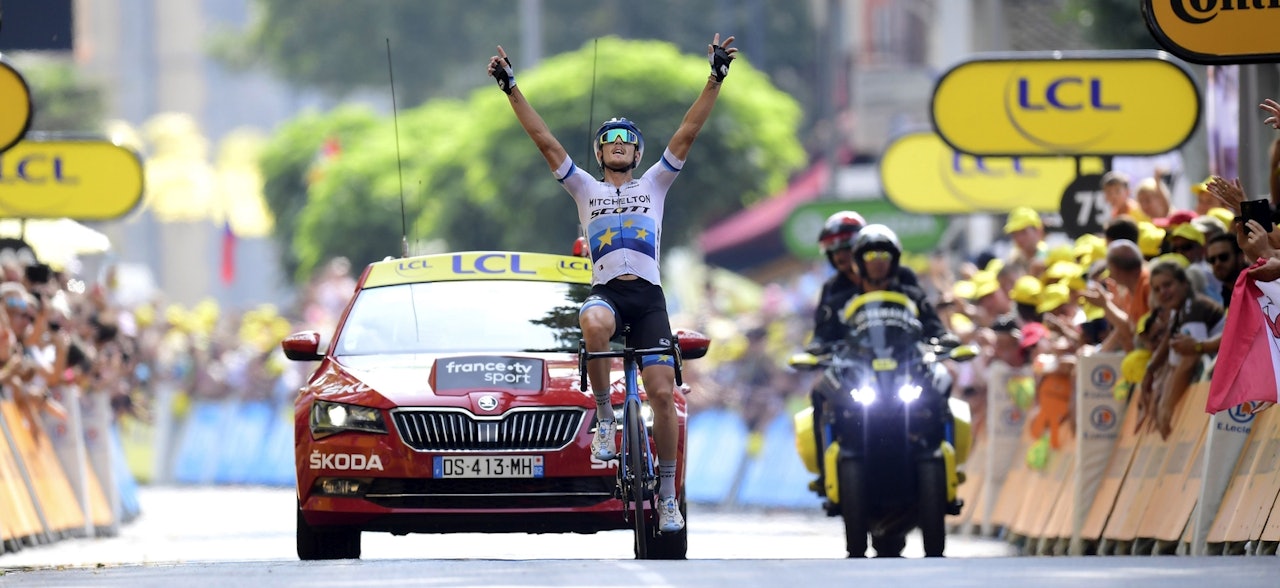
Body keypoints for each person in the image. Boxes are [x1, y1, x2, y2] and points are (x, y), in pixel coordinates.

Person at [489, 33, 738, 533]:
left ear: (639, 153)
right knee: (592, 318)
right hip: (608, 293)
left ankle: (667, 495)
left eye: (628, 142)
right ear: (601, 153)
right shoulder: (584, 188)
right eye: (611, 142)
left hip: (647, 299)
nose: (620, 147)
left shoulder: (656, 184)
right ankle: (605, 415)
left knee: (664, 395)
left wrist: (715, 77)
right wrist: (511, 88)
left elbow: (688, 130)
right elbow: (545, 140)